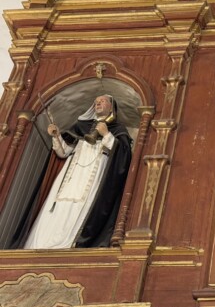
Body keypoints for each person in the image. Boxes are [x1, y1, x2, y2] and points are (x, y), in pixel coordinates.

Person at [21, 95, 132, 249]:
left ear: (112, 106)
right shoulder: (81, 126)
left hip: (94, 176)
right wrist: (56, 136)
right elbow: (64, 152)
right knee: (59, 205)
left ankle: (69, 244)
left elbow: (123, 156)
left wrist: (107, 134)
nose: (98, 102)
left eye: (103, 101)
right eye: (96, 101)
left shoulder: (118, 129)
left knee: (83, 206)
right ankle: (43, 244)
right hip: (72, 175)